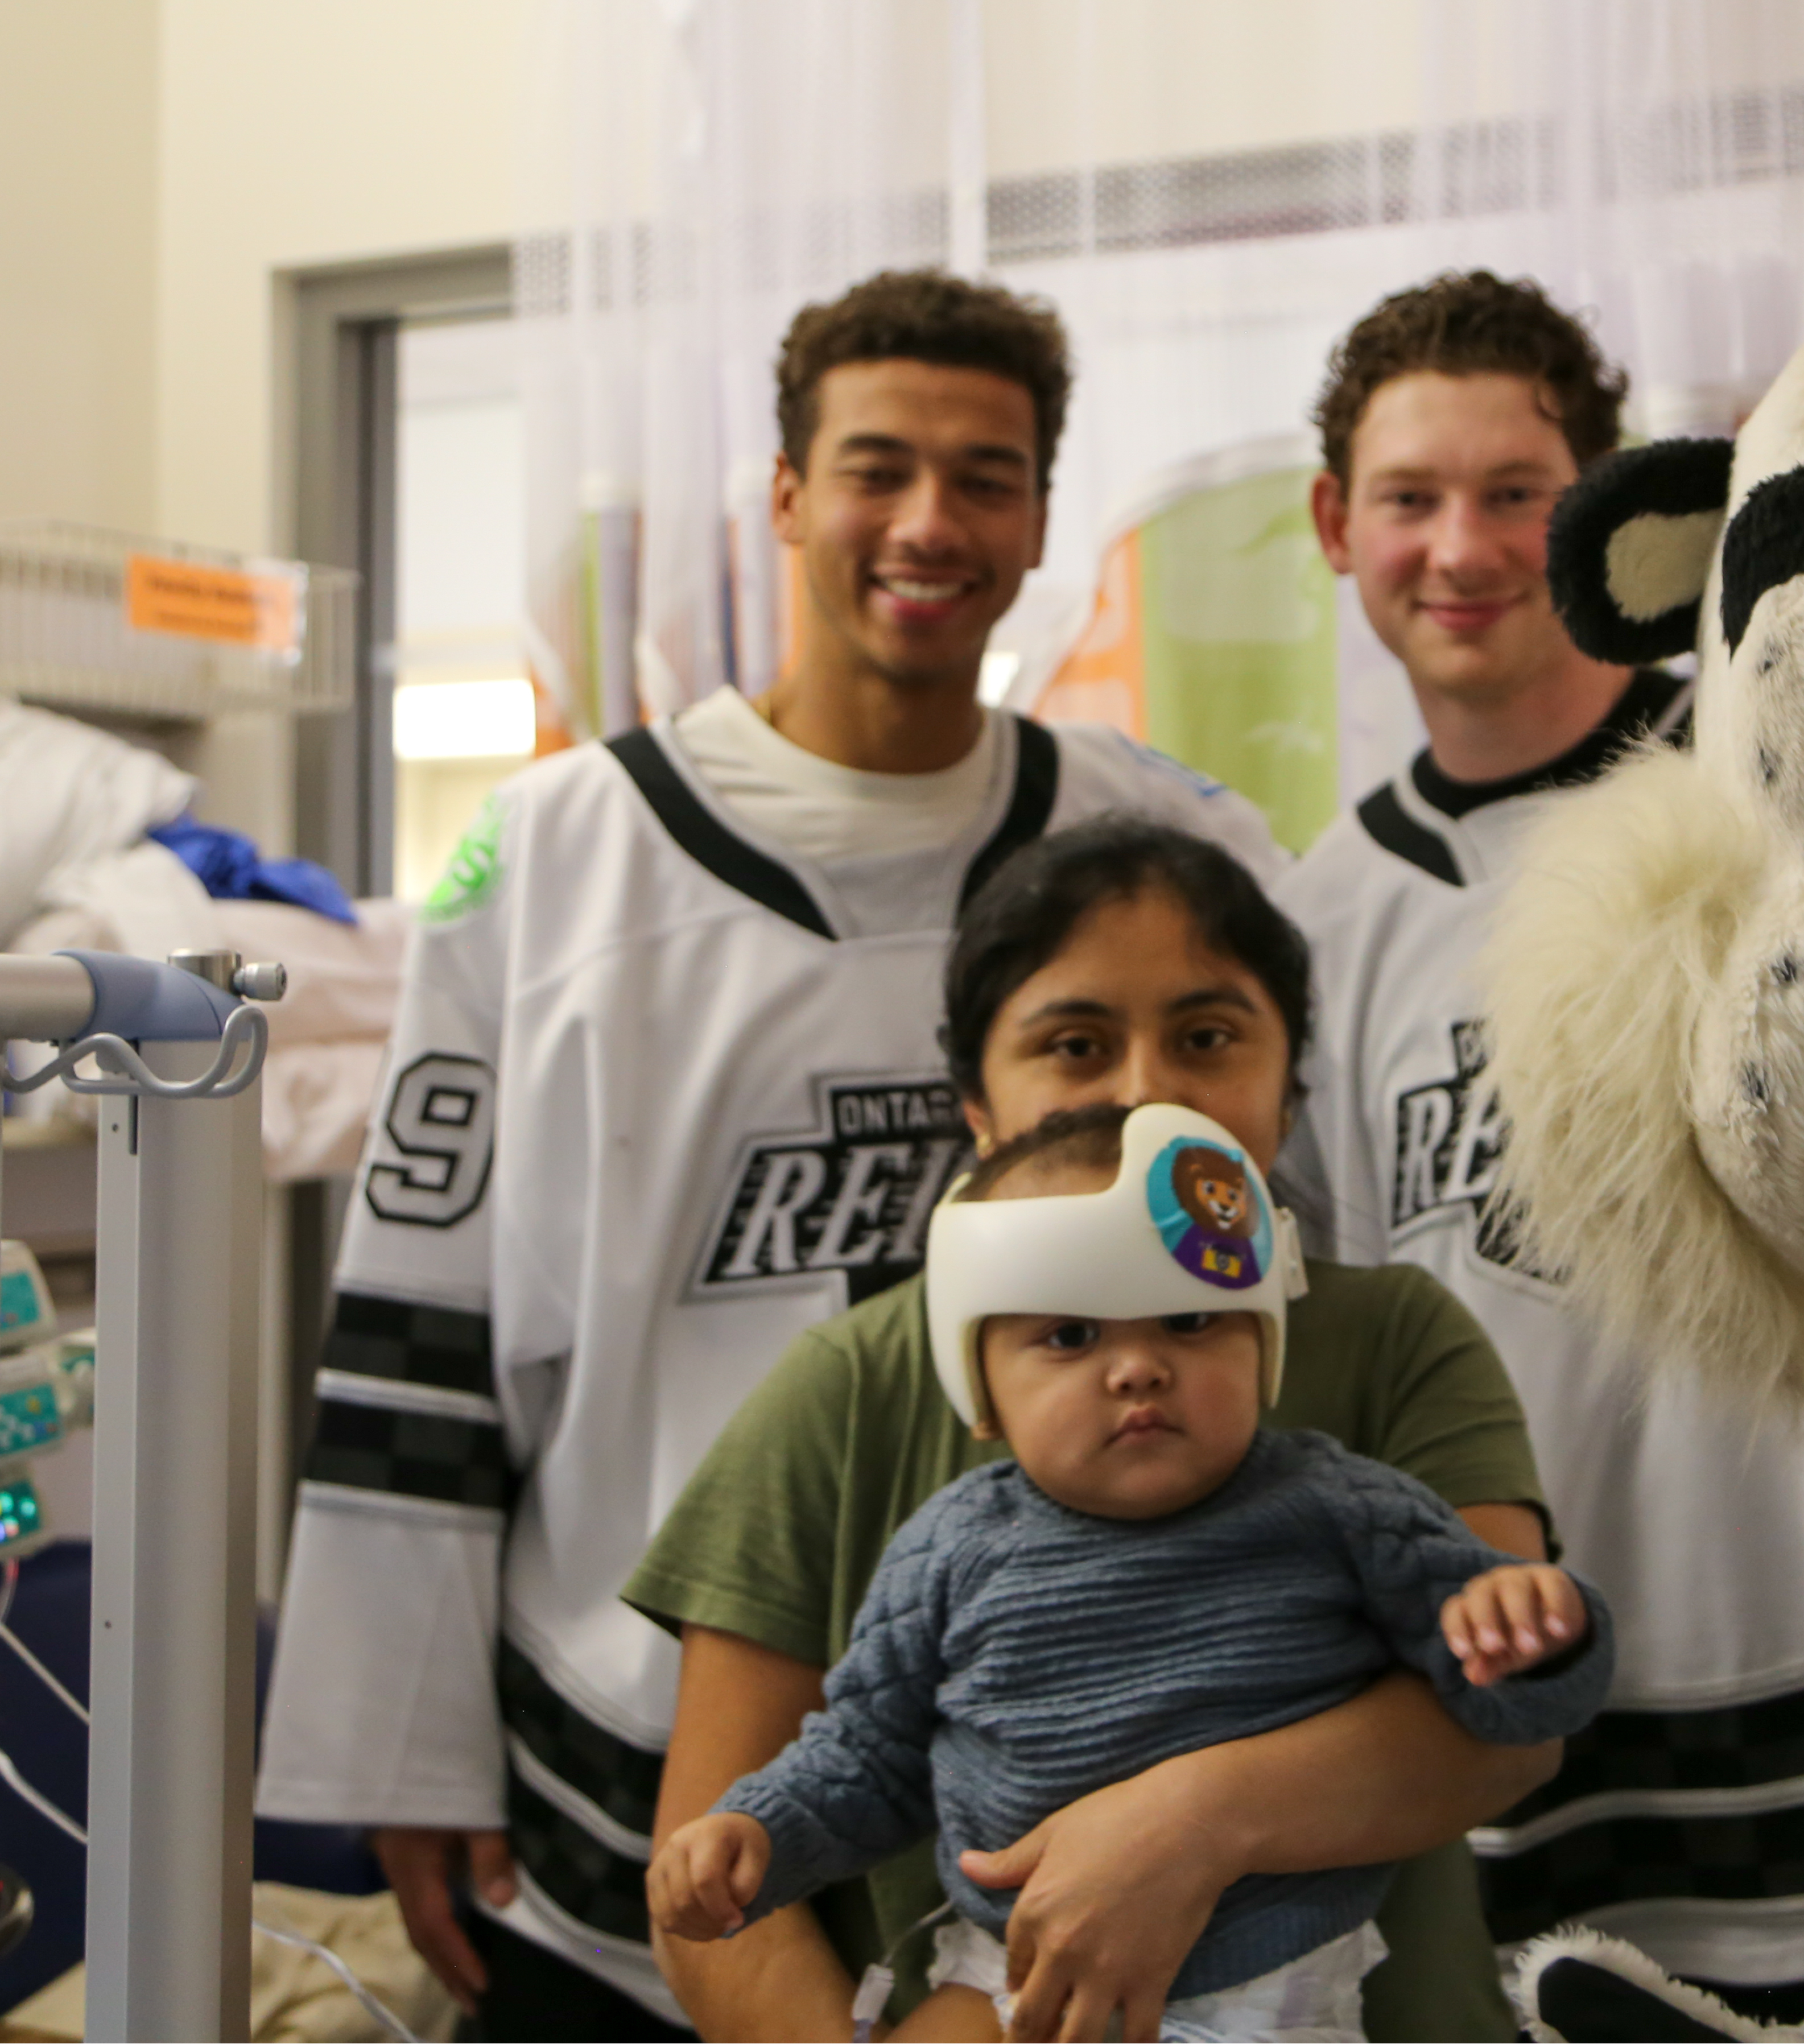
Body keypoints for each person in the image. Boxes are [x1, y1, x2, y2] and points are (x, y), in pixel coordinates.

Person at [256, 270, 1282, 2039]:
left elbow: (1263, 1283)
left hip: (1066, 1770)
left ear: (1044, 514)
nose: (929, 522)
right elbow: (422, 1333)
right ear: (787, 494)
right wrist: (407, 1747)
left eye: (988, 476)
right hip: (625, 1780)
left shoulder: (1168, 845)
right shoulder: (555, 855)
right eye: (876, 467)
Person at [627, 818, 1562, 2041]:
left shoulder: (1395, 1339)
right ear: (976, 1104)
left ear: (1289, 1086)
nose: (1146, 1091)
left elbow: (1507, 1729)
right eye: (1074, 1044)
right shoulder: (847, 1388)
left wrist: (1190, 1823)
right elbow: (718, 1861)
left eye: (1209, 1037)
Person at [1281, 271, 1804, 2016]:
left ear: (1602, 512)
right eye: (1410, 499)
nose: (1461, 547)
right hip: (1515, 1708)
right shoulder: (1320, 920)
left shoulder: (1779, 793)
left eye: (1515, 494)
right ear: (1339, 527)